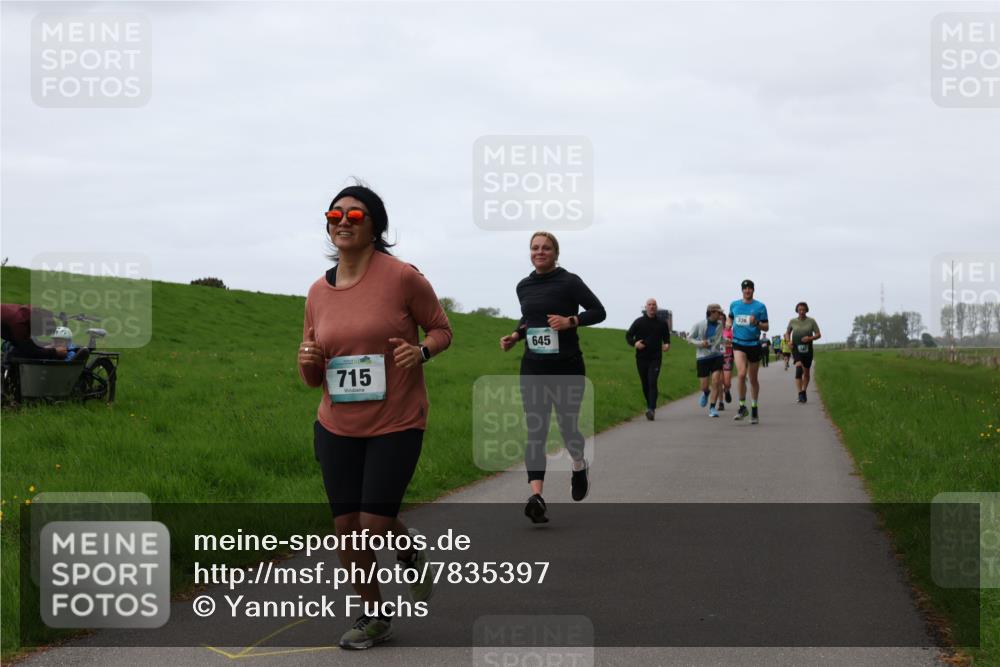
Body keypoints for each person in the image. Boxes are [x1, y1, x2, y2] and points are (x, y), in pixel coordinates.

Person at [298, 184, 453, 650]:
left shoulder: (402, 277)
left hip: (397, 420)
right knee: (347, 528)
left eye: (355, 215)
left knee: (374, 525)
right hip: (336, 424)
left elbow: (442, 329)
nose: (343, 221)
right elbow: (311, 376)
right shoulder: (316, 293)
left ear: (375, 226)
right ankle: (374, 615)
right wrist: (307, 359)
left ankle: (406, 553)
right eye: (335, 214)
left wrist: (420, 351)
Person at [500, 231, 605, 524]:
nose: (540, 252)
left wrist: (570, 321)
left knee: (568, 426)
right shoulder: (523, 286)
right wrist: (515, 336)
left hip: (567, 366)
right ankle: (537, 496)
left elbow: (599, 311)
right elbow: (530, 320)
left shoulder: (569, 281)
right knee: (536, 430)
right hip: (533, 367)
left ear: (556, 253)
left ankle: (578, 464)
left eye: (546, 248)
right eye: (535, 248)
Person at [727, 279, 769, 424]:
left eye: (750, 288)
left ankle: (754, 408)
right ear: (742, 290)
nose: (747, 291)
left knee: (752, 379)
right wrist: (728, 325)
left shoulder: (760, 306)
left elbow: (766, 327)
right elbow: (730, 318)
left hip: (754, 344)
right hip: (738, 343)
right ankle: (742, 407)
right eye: (745, 289)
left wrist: (756, 323)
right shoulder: (734, 305)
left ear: (753, 290)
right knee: (741, 374)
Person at [626, 298, 671, 420]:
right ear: (646, 307)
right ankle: (649, 405)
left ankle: (651, 409)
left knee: (652, 382)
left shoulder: (662, 323)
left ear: (656, 308)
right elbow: (628, 336)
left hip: (655, 357)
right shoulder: (639, 322)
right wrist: (635, 343)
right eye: (649, 305)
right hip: (641, 358)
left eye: (654, 305)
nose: (652, 307)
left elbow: (667, 339)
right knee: (645, 384)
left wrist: (667, 345)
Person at [688, 304, 726, 418]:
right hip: (703, 357)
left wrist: (726, 341)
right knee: (704, 386)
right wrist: (700, 343)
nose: (720, 315)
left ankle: (713, 407)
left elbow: (719, 339)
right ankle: (705, 392)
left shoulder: (720, 325)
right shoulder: (699, 325)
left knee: (716, 381)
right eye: (718, 313)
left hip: (716, 356)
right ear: (711, 312)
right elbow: (689, 338)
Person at [786, 302, 822, 403]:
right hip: (796, 349)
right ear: (797, 310)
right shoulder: (792, 321)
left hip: (808, 350)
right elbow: (787, 333)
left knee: (806, 372)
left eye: (803, 309)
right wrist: (788, 341)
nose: (801, 311)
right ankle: (800, 394)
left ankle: (804, 391)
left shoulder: (811, 321)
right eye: (799, 309)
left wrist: (810, 338)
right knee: (798, 369)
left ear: (806, 310)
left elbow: (819, 334)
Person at [1, 304, 65, 360]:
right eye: (42, 333)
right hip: (10, 321)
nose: (40, 335)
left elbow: (30, 344)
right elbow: (30, 351)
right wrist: (55, 352)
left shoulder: (31, 313)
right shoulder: (20, 324)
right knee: (18, 353)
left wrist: (49, 345)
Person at [717, 327, 734, 412]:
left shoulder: (730, 332)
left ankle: (726, 390)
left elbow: (734, 344)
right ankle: (721, 403)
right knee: (719, 381)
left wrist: (727, 344)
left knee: (727, 382)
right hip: (717, 357)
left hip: (727, 357)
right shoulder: (715, 330)